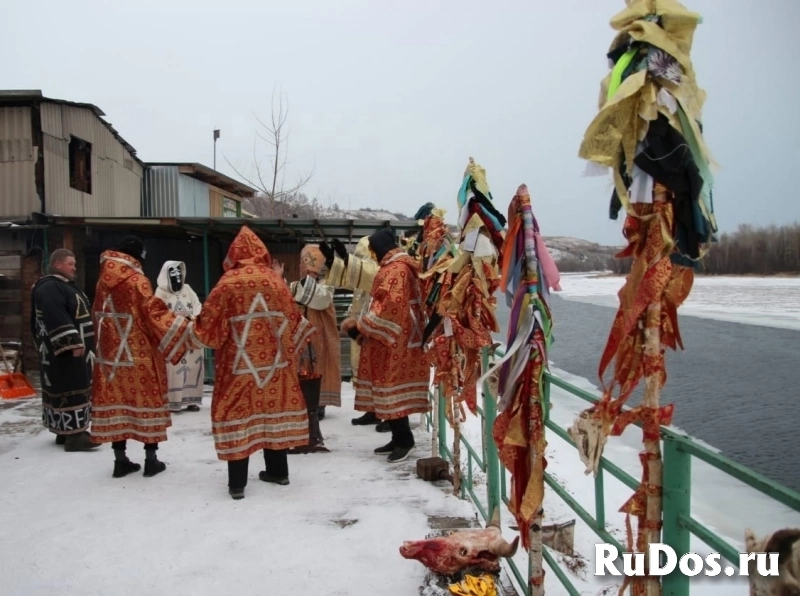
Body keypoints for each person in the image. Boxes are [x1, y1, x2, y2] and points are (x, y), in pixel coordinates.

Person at [190, 226, 315, 500]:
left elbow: (207, 329)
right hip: (275, 367)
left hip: (238, 368)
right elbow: (294, 322)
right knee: (273, 412)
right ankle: (278, 472)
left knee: (238, 416)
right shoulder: (275, 281)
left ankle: (237, 484)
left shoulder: (227, 283)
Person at [91, 236, 195, 478]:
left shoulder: (102, 281)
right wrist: (181, 326)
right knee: (148, 403)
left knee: (118, 405)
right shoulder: (138, 282)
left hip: (111, 359)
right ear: (138, 256)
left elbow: (97, 315)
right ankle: (151, 460)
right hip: (139, 356)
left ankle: (120, 460)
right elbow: (153, 316)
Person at [340, 227, 430, 463]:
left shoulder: (397, 270)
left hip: (395, 340)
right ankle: (398, 438)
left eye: (373, 251)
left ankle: (405, 441)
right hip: (392, 338)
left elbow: (391, 306)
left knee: (391, 388)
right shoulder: (394, 267)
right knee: (385, 388)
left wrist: (362, 326)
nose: (373, 255)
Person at [30, 248, 99, 451]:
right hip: (64, 352)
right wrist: (71, 342)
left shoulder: (63, 286)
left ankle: (65, 431)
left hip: (73, 351)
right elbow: (55, 316)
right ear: (58, 264)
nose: (74, 268)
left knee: (68, 387)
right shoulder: (50, 287)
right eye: (70, 264)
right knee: (70, 386)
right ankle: (75, 436)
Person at [289, 244, 340, 433]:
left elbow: (320, 300)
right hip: (299, 336)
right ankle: (302, 401)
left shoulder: (326, 286)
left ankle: (319, 404)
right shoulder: (295, 285)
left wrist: (307, 282)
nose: (309, 273)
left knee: (318, 367)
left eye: (312, 269)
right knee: (301, 368)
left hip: (319, 335)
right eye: (306, 268)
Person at [155, 260, 205, 413]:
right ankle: (173, 401)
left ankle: (191, 400)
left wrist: (192, 317)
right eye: (173, 274)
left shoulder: (188, 289)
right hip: (173, 338)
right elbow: (158, 313)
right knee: (173, 370)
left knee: (193, 367)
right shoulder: (160, 293)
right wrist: (177, 320)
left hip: (190, 335)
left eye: (179, 274)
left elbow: (198, 306)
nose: (177, 278)